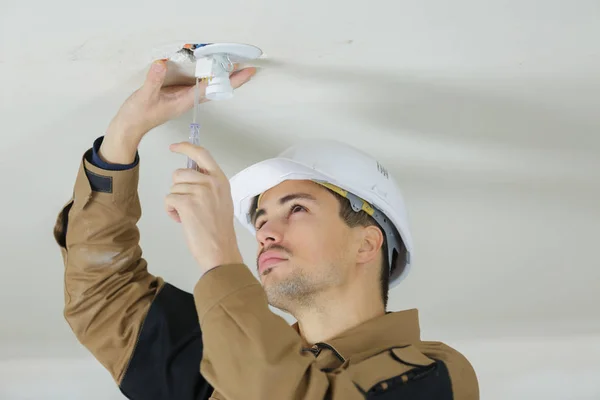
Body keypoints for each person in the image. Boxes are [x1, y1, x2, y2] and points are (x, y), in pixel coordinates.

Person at [53, 59, 479, 400]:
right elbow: (101, 295)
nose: (264, 232)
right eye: (259, 220)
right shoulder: (221, 366)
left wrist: (220, 256)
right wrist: (123, 136)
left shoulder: (436, 375)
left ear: (367, 242)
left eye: (296, 209)